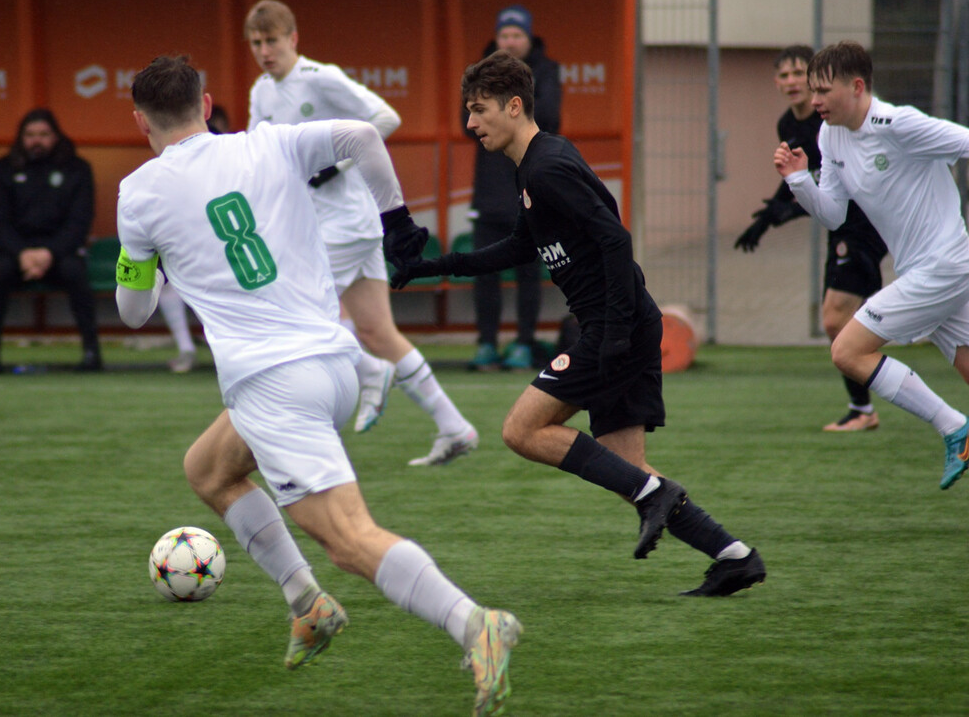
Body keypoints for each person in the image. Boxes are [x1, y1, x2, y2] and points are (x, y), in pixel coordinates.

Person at [115, 54, 520, 716]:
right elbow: (363, 137)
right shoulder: (268, 143)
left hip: (276, 384)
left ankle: (475, 623)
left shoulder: (139, 193)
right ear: (208, 105)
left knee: (350, 539)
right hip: (332, 362)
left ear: (140, 122)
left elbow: (134, 312)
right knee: (210, 470)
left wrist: (156, 262)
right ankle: (308, 604)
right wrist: (397, 225)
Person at [391, 51, 766, 596]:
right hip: (626, 325)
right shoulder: (533, 167)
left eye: (478, 110)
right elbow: (522, 245)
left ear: (514, 106)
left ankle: (660, 502)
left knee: (521, 430)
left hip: (617, 328)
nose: (470, 124)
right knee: (629, 473)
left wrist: (611, 333)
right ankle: (735, 557)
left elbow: (614, 238)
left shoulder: (546, 166)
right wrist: (435, 266)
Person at [244, 0, 477, 465]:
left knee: (297, 317)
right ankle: (455, 427)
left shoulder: (320, 78)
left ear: (293, 39)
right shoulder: (260, 91)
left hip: (345, 223)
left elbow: (386, 117)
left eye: (272, 40)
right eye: (256, 43)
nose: (265, 51)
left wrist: (335, 164)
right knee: (376, 329)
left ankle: (370, 373)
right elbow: (256, 152)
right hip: (338, 227)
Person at [773, 40, 969, 490]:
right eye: (812, 90)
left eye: (824, 91)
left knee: (847, 350)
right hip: (922, 269)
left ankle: (955, 427)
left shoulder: (899, 124)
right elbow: (835, 216)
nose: (814, 100)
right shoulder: (830, 135)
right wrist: (800, 180)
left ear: (857, 86)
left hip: (943, 265)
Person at [736, 45, 888, 432]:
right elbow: (800, 179)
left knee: (837, 319)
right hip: (839, 227)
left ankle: (865, 407)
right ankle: (863, 405)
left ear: (816, 80)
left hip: (863, 225)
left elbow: (839, 183)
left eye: (798, 74)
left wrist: (788, 211)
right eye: (783, 75)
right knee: (841, 321)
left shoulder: (833, 123)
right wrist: (769, 216)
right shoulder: (788, 123)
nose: (791, 82)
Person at [465, 4, 560, 371]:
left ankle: (523, 343)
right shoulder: (480, 72)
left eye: (517, 35)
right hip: (488, 195)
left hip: (529, 190)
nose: (510, 41)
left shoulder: (547, 70)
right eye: (504, 35)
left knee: (527, 274)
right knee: (484, 272)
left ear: (528, 37)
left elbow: (548, 115)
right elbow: (467, 121)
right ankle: (486, 344)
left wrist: (499, 111)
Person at [0, 109, 101, 373]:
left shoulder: (77, 169)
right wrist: (22, 253)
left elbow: (80, 222)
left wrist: (50, 253)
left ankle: (92, 353)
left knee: (74, 271)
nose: (37, 141)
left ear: (56, 136)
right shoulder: (3, 168)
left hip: (61, 251)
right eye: (31, 135)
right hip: (15, 252)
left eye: (44, 135)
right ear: (21, 138)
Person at [156, 107, 232, 373]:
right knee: (168, 284)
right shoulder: (174, 169)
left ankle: (227, 351)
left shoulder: (236, 162)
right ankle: (186, 348)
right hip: (196, 257)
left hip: (234, 258)